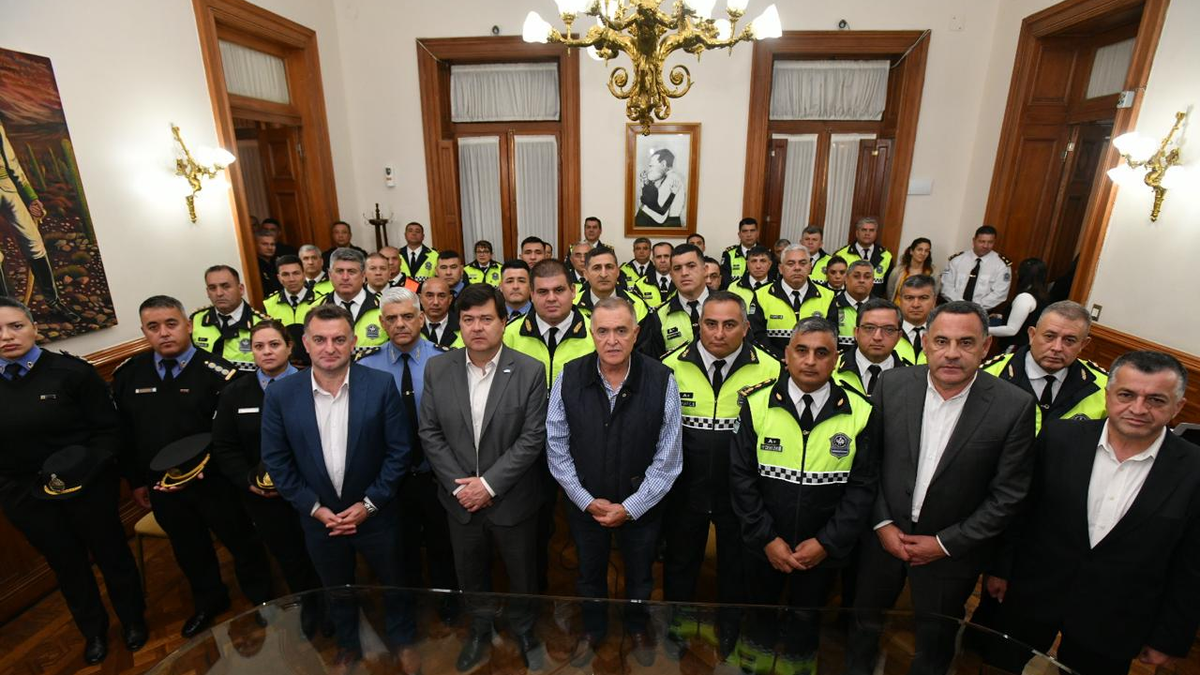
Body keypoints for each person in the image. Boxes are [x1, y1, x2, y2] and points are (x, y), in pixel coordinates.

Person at [845, 301, 1037, 675]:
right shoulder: (892, 385)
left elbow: (1007, 496)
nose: (951, 353)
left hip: (952, 554)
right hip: (883, 542)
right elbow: (869, 464)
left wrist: (945, 543)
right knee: (863, 626)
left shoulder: (1014, 407)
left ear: (985, 346)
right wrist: (882, 524)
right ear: (925, 343)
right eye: (941, 341)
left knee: (935, 642)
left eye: (965, 343)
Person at [986, 351, 1200, 675]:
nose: (1138, 408)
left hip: (1114, 620)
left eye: (1156, 400)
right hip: (1031, 595)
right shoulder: (1059, 437)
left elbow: (1192, 565)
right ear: (1108, 394)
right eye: (1126, 395)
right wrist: (1000, 569)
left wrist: (1168, 637)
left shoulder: (1194, 471)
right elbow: (1022, 512)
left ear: (1177, 407)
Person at [260, 304, 416, 671]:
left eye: (339, 339)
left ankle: (403, 638)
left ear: (353, 342)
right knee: (335, 586)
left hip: (376, 514)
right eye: (320, 340)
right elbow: (276, 460)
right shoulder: (281, 395)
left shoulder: (380, 385)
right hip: (320, 518)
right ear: (305, 344)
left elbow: (399, 452)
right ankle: (348, 644)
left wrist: (369, 504)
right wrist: (315, 509)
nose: (329, 348)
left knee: (394, 582)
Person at [112, 295, 273, 639]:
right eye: (153, 327)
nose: (164, 333)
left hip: (215, 481)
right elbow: (126, 435)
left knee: (242, 543)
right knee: (188, 547)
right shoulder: (128, 375)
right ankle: (209, 600)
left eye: (171, 324)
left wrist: (215, 469)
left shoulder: (219, 374)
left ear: (187, 325)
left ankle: (262, 597)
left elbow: (233, 436)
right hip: (163, 485)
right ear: (143, 332)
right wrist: (136, 480)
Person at [0, 297, 145, 665]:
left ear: (34, 328)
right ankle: (93, 632)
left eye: (16, 326)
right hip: (28, 497)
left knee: (113, 557)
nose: (7, 336)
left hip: (86, 489)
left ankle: (133, 620)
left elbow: (109, 431)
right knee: (67, 567)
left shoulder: (71, 373)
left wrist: (89, 471)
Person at [730, 317, 878, 675]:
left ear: (837, 359)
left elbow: (862, 488)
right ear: (787, 355)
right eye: (802, 350)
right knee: (758, 616)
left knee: (807, 620)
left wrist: (826, 543)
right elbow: (741, 478)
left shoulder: (861, 411)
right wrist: (767, 539)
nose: (810, 361)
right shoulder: (756, 404)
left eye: (821, 353)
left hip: (822, 551)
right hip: (764, 545)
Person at [419, 284, 550, 671]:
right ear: (458, 323)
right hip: (459, 500)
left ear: (503, 322)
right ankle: (479, 628)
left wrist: (489, 485)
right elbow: (430, 432)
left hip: (512, 499)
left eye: (486, 319)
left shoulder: (529, 370)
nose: (477, 327)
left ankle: (524, 629)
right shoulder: (438, 368)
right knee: (470, 572)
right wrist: (462, 487)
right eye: (468, 319)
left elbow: (532, 437)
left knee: (522, 573)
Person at [546, 297, 682, 667]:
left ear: (636, 333)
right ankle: (593, 627)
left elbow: (669, 457)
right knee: (588, 573)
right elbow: (556, 445)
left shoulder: (662, 379)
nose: (612, 340)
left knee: (640, 575)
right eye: (603, 331)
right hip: (585, 502)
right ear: (591, 334)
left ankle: (637, 625)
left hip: (642, 504)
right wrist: (584, 499)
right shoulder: (569, 376)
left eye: (621, 330)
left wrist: (631, 507)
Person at [661, 292, 779, 658]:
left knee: (735, 566)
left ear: (745, 327)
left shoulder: (772, 369)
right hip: (685, 487)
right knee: (680, 563)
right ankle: (676, 627)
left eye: (730, 324)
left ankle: (729, 627)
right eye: (710, 324)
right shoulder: (670, 365)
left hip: (741, 492)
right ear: (699, 324)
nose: (719, 333)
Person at [209, 320, 324, 635]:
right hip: (265, 498)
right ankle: (308, 605)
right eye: (258, 346)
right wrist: (248, 480)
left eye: (274, 344)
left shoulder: (314, 383)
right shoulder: (235, 393)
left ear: (290, 347)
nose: (267, 352)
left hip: (312, 491)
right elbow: (225, 446)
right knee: (289, 555)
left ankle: (332, 603)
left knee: (321, 551)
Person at [357, 289, 457, 606]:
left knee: (443, 544)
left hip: (437, 474)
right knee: (401, 546)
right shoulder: (366, 366)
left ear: (421, 318)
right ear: (382, 323)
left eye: (407, 316)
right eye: (392, 318)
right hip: (390, 479)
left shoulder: (446, 360)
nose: (400, 324)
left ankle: (447, 602)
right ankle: (411, 602)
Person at [982, 300, 1107, 434]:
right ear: (1032, 335)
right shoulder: (989, 376)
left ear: (1083, 345)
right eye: (1049, 336)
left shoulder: (1104, 386)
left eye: (1069, 340)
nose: (1057, 348)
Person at [0, 118, 80, 322]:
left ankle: (53, 302)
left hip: (6, 187)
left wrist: (30, 198)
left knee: (33, 242)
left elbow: (12, 163)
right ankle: (6, 314)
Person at [504, 259, 594, 389]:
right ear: (532, 295)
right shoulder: (509, 334)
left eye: (559, 290)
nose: (551, 298)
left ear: (573, 291)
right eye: (543, 292)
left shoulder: (595, 333)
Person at [750, 244, 833, 356]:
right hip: (774, 361)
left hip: (813, 361)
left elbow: (831, 336)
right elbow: (756, 334)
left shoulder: (828, 296)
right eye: (790, 263)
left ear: (810, 267)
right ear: (780, 268)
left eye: (802, 263)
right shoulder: (761, 295)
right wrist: (781, 358)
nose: (797, 268)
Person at [190, 265, 268, 371]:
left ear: (240, 289)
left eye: (226, 286)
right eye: (212, 288)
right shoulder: (196, 320)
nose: (219, 293)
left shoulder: (262, 324)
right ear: (207, 292)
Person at [643, 243, 711, 358]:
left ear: (705, 270)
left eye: (691, 266)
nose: (684, 273)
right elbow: (655, 362)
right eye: (677, 268)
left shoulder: (729, 306)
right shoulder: (659, 315)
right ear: (671, 275)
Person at [832, 298, 911, 397]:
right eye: (869, 328)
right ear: (856, 332)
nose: (877, 337)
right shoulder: (831, 369)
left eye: (888, 329)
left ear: (899, 336)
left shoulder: (910, 377)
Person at [318, 247, 386, 353]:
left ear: (363, 275)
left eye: (351, 272)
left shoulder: (384, 307)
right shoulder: (316, 308)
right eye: (340, 271)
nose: (345, 277)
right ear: (330, 275)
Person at [261, 254, 321, 366]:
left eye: (296, 273)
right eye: (285, 274)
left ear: (304, 274)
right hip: (282, 366)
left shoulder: (321, 301)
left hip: (316, 362)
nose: (291, 279)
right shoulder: (269, 304)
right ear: (279, 278)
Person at [940, 225, 1011, 312]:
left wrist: (974, 308)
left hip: (981, 312)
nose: (986, 246)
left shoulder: (1001, 265)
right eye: (982, 241)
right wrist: (960, 304)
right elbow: (946, 287)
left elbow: (1000, 294)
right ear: (974, 241)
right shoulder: (957, 260)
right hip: (954, 308)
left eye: (990, 242)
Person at [989, 257, 1049, 352]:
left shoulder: (1025, 297)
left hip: (1016, 347)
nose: (1016, 272)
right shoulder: (1041, 295)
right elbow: (1029, 318)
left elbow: (1011, 330)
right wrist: (1001, 317)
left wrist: (982, 329)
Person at [832, 217, 894, 298]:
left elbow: (888, 286)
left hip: (875, 302)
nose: (867, 233)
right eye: (864, 230)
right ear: (857, 233)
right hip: (847, 301)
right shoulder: (841, 254)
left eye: (871, 230)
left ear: (876, 233)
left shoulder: (886, 256)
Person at [829, 260, 876, 351]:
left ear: (873, 281)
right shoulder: (831, 304)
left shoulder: (881, 309)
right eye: (856, 276)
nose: (861, 280)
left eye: (867, 277)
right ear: (846, 279)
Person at [634, 148, 686, 228]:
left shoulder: (671, 179)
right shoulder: (669, 177)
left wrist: (643, 205)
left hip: (668, 225)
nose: (649, 170)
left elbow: (660, 212)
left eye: (651, 166)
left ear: (663, 164)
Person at [893, 274, 936, 365]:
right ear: (900, 301)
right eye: (909, 298)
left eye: (923, 298)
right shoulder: (886, 332)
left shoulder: (944, 334)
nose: (915, 305)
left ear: (934, 301)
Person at [886, 237, 937, 303]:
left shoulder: (933, 272)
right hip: (898, 307)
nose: (923, 253)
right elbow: (890, 292)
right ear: (911, 251)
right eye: (919, 250)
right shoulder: (898, 271)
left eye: (926, 251)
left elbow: (934, 295)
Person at [419, 276, 462, 349]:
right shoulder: (411, 327)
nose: (435, 302)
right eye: (430, 296)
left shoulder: (462, 326)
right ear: (420, 299)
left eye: (441, 296)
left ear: (450, 299)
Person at [631, 241, 676, 308]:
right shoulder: (640, 284)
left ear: (673, 259)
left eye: (666, 256)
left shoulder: (682, 281)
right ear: (653, 260)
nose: (662, 260)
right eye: (658, 257)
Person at [720, 217, 760, 286]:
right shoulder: (728, 254)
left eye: (752, 231)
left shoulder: (766, 254)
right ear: (739, 234)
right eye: (745, 231)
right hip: (734, 291)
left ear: (757, 233)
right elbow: (725, 280)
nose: (749, 235)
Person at [254, 229, 281, 296]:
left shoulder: (278, 263)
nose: (270, 248)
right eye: (265, 244)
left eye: (272, 244)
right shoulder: (254, 266)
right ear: (255, 245)